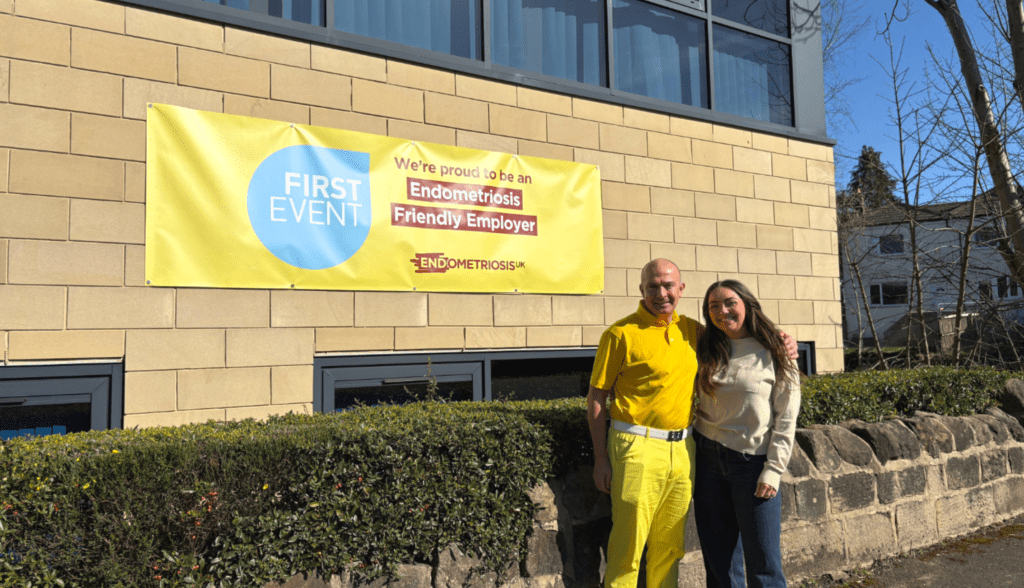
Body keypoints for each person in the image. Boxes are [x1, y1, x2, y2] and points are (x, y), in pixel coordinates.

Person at [587, 258, 699, 588]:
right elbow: (596, 398)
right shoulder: (620, 334)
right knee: (628, 546)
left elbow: (737, 336)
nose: (661, 293)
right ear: (642, 290)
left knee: (670, 548)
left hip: (682, 449)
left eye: (668, 285)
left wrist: (780, 340)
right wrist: (600, 459)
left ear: (681, 289)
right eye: (653, 286)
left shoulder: (691, 331)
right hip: (635, 446)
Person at [692, 280, 801, 588]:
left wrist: (774, 470)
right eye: (713, 306)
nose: (722, 311)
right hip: (707, 460)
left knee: (764, 565)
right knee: (719, 564)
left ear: (747, 305)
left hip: (752, 465)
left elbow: (787, 415)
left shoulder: (775, 350)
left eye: (729, 303)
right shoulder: (705, 347)